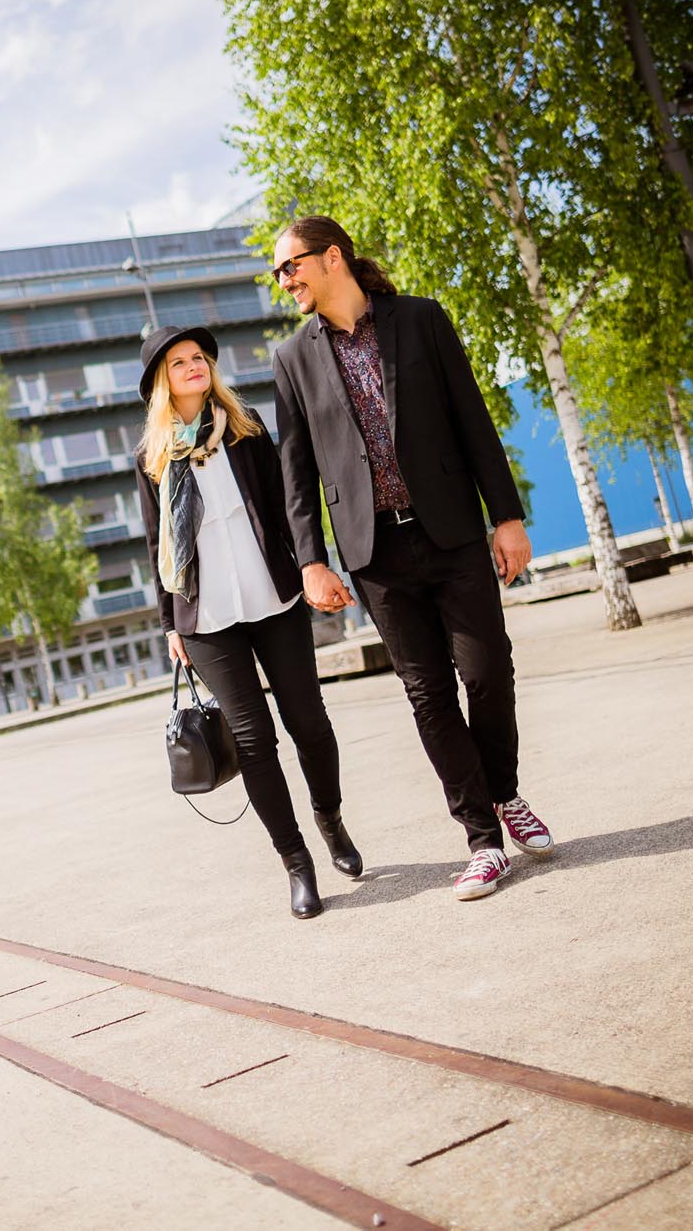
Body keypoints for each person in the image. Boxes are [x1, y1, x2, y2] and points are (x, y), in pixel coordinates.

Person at [268, 215, 554, 901]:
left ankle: (504, 792)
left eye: (292, 266)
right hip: (376, 554)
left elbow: (473, 419)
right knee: (427, 694)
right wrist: (311, 560)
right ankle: (483, 838)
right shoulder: (292, 360)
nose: (285, 281)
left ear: (331, 257)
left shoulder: (422, 320)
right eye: (279, 272)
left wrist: (507, 515)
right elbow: (295, 472)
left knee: (488, 674)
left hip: (452, 530)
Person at [135, 323, 361, 920]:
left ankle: (330, 818)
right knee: (255, 742)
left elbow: (288, 506)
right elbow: (155, 545)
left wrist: (315, 567)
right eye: (180, 361)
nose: (194, 366)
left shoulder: (247, 428)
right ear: (163, 380)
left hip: (274, 599)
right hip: (206, 619)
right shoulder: (153, 458)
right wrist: (170, 626)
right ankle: (296, 863)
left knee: (308, 723)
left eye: (199, 358)